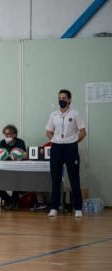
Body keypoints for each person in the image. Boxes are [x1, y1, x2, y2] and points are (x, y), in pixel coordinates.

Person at [46, 89, 86, 218]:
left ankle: (78, 208)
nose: (61, 100)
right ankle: (54, 207)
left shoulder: (75, 114)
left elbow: (82, 132)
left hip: (70, 148)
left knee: (74, 178)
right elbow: (48, 131)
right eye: (60, 98)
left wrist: (73, 141)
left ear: (69, 100)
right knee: (55, 179)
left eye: (64, 98)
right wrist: (55, 139)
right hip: (56, 147)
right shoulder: (53, 115)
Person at [0, 124, 27, 209]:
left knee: (16, 181)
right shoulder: (2, 142)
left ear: (15, 134)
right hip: (4, 170)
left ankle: (14, 202)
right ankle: (9, 201)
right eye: (5, 134)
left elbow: (23, 155)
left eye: (8, 134)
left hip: (18, 171)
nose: (6, 136)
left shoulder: (20, 142)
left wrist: (12, 155)